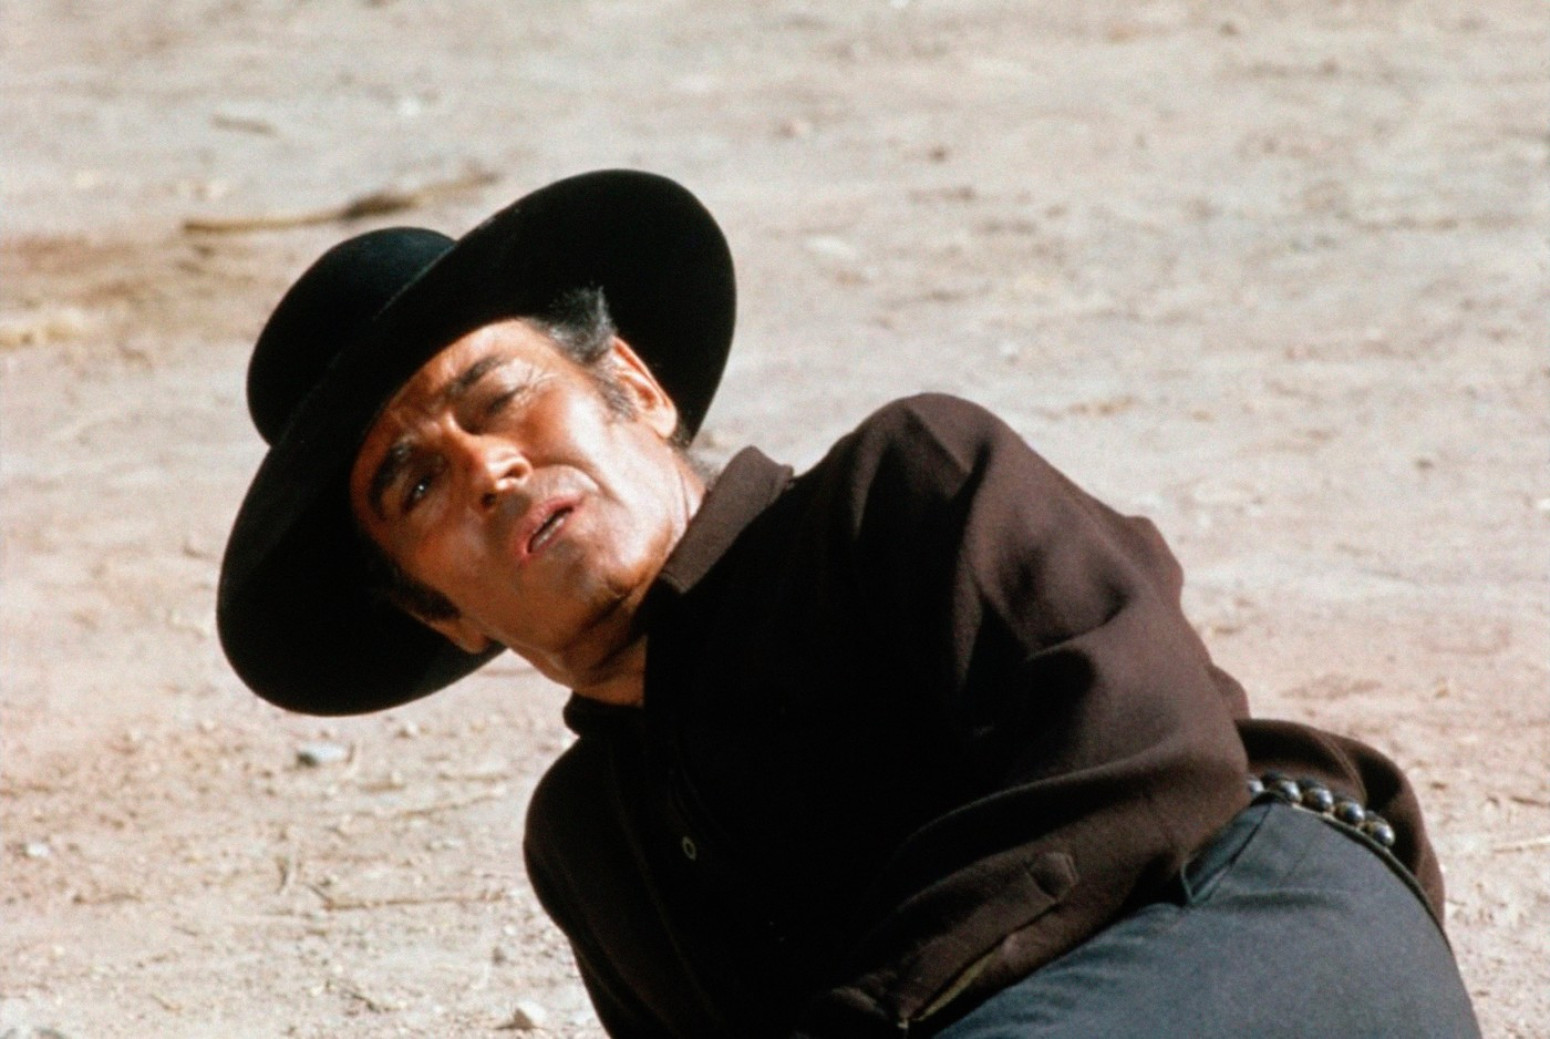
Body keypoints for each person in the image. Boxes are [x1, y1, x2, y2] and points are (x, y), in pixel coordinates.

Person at [218, 170, 1480, 1037]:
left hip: (1247, 923)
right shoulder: (593, 840)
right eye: (416, 482)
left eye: (500, 398)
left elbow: (1152, 766)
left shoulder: (905, 483)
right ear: (441, 614)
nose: (489, 468)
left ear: (636, 390)